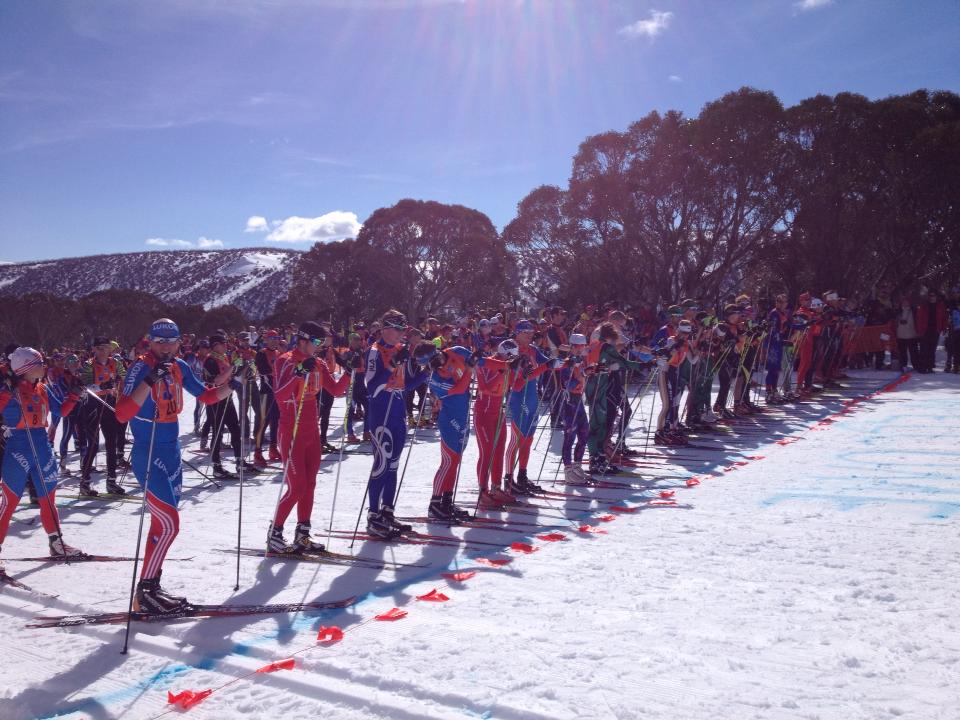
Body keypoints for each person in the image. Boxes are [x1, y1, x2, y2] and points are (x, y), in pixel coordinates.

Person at [116, 318, 239, 613]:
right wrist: (149, 380)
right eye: (160, 342)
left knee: (162, 525)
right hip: (148, 452)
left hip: (172, 452)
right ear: (150, 342)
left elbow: (207, 396)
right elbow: (122, 414)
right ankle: (145, 589)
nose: (166, 347)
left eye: (172, 341)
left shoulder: (179, 366)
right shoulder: (140, 368)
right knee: (170, 524)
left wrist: (232, 385)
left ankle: (151, 589)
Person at [267, 322, 352, 554]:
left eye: (322, 342)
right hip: (291, 432)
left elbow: (336, 390)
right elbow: (280, 396)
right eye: (316, 342)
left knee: (310, 485)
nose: (319, 346)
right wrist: (298, 374)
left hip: (311, 432)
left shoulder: (318, 363)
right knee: (296, 487)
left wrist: (350, 372)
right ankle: (275, 533)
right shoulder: (285, 361)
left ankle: (302, 534)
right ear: (303, 340)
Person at [1, 347, 84, 560]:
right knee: (10, 503)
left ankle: (56, 543)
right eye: (38, 363)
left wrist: (74, 395)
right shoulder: (9, 390)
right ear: (26, 368)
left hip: (42, 447)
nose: (44, 366)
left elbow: (61, 411)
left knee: (48, 498)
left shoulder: (43, 388)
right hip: (18, 449)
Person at [363, 310, 432, 538]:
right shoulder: (374, 351)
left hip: (398, 414)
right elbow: (371, 387)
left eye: (404, 330)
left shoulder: (401, 350)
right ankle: (373, 516)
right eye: (398, 329)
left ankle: (387, 511)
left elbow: (406, 386)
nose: (402, 334)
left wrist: (426, 372)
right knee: (381, 464)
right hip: (381, 414)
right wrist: (392, 366)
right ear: (386, 328)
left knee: (393, 465)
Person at [426, 346, 480, 520]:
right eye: (439, 367)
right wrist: (469, 369)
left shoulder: (451, 358)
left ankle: (446, 501)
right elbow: (460, 388)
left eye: (443, 364)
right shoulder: (435, 379)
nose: (443, 369)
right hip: (449, 421)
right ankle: (434, 504)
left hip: (462, 418)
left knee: (455, 462)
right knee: (448, 462)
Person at [504, 320, 552, 495]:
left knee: (528, 439)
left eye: (531, 333)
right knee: (517, 439)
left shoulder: (533, 349)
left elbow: (548, 363)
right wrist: (545, 367)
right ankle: (508, 479)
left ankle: (522, 476)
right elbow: (517, 381)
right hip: (519, 399)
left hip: (532, 398)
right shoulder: (511, 348)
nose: (530, 336)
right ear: (517, 333)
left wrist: (565, 361)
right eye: (526, 332)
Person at [474, 340, 520, 508]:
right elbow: (485, 387)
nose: (510, 361)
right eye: (510, 357)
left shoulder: (506, 366)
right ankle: (483, 492)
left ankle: (496, 488)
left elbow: (517, 385)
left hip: (499, 413)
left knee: (499, 451)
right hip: (484, 413)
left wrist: (524, 372)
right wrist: (503, 371)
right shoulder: (487, 364)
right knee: (486, 453)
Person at [559, 334, 590, 484]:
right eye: (577, 346)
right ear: (571, 347)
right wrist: (580, 376)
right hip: (569, 402)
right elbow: (565, 384)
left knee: (584, 433)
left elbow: (583, 376)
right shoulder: (567, 363)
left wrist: (590, 371)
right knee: (570, 437)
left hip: (579, 401)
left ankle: (577, 466)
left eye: (582, 346)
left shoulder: (581, 361)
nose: (580, 349)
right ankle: (568, 470)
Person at [253, 330, 282, 467]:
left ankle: (273, 448)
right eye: (272, 338)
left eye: (277, 338)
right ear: (267, 340)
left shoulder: (278, 353)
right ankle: (257, 452)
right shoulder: (261, 353)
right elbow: (264, 371)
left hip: (277, 392)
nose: (275, 341)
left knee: (275, 421)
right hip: (266, 392)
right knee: (263, 422)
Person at [916, 290, 947, 373]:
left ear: (936, 297)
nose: (932, 297)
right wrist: (919, 329)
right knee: (924, 349)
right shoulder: (924, 305)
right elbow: (919, 318)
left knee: (932, 349)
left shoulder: (940, 306)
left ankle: (930, 366)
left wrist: (944, 328)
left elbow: (944, 318)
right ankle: (923, 366)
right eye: (930, 296)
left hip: (935, 330)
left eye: (933, 296)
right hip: (925, 330)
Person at [895, 295, 920, 372]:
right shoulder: (898, 311)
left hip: (912, 335)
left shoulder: (914, 311)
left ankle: (916, 366)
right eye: (903, 301)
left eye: (907, 301)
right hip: (900, 335)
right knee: (902, 352)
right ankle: (903, 365)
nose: (905, 303)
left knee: (914, 352)